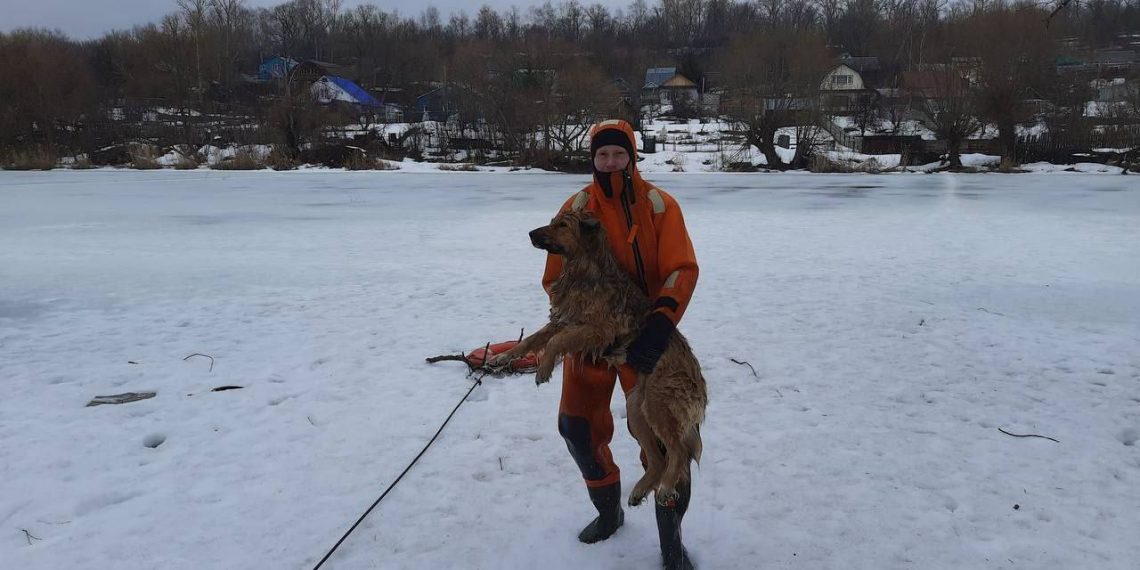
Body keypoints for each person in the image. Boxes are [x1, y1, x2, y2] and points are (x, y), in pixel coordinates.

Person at [541, 119, 700, 570]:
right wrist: (578, 316)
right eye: (602, 155)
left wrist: (659, 325)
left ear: (631, 155)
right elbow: (556, 277)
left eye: (618, 153)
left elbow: (681, 270)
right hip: (592, 338)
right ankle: (608, 513)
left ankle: (672, 547)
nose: (610, 161)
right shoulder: (574, 208)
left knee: (671, 443)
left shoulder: (659, 206)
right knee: (576, 428)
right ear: (592, 159)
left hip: (645, 339)